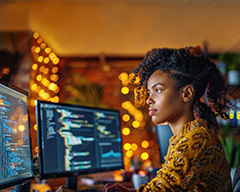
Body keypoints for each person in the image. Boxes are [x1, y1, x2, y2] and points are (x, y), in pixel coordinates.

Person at [56, 46, 233, 192]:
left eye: (158, 90)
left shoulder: (196, 140)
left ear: (186, 93)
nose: (148, 100)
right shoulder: (187, 137)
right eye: (149, 92)